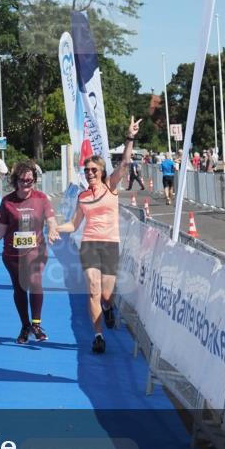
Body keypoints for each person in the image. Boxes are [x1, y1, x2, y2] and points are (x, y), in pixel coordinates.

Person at [56, 117, 141, 354]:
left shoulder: (111, 187)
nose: (90, 173)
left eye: (94, 170)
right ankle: (98, 336)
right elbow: (73, 225)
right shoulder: (82, 197)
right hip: (90, 244)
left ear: (102, 172)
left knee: (105, 294)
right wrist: (55, 228)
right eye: (87, 171)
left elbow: (124, 163)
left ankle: (109, 307)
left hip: (110, 244)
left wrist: (130, 137)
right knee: (93, 289)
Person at [0, 160, 58, 344]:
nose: (26, 184)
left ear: (34, 180)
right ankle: (25, 325)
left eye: (30, 180)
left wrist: (52, 230)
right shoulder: (7, 201)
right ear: (15, 181)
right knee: (19, 288)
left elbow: (51, 219)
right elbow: (1, 229)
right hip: (12, 254)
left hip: (36, 251)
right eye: (22, 180)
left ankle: (36, 323)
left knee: (35, 281)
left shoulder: (41, 198)